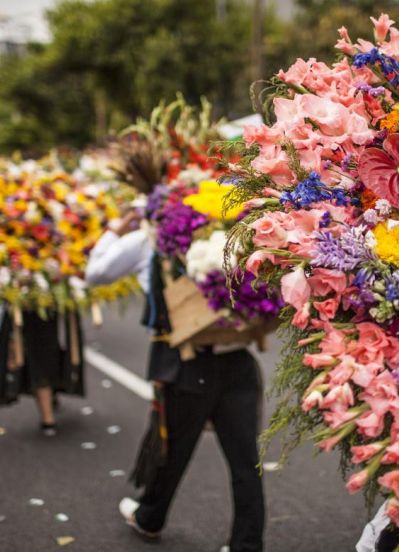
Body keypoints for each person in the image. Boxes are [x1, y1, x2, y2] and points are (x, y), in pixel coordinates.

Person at [85, 209, 265, 552]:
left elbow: (95, 273)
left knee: (173, 448)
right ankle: (247, 544)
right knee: (245, 462)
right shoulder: (234, 226)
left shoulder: (149, 239)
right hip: (239, 358)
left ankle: (150, 518)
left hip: (186, 363)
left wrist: (113, 230)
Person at [0, 304, 85, 437]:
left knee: (59, 353)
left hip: (56, 308)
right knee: (39, 359)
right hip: (30, 311)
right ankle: (47, 416)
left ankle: (52, 393)